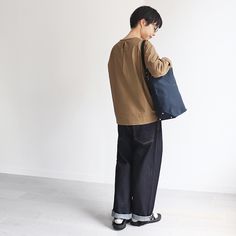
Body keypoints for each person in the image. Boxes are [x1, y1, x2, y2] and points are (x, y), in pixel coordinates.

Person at [107, 5, 172, 230]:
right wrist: (167, 60)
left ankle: (120, 215)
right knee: (146, 166)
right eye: (154, 27)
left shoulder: (115, 50)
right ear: (143, 22)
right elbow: (158, 70)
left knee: (124, 164)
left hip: (123, 119)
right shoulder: (145, 45)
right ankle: (142, 215)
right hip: (145, 118)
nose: (154, 33)